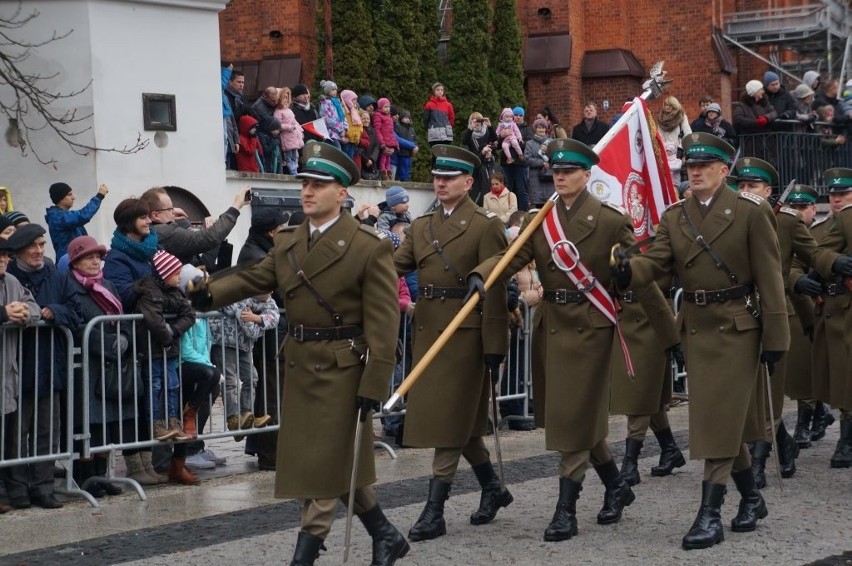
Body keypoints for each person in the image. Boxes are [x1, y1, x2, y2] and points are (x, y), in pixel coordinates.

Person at [187, 141, 408, 566]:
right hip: (301, 364)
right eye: (305, 182)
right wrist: (207, 294)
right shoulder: (289, 242)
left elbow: (384, 321)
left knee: (325, 465)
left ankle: (303, 557)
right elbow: (252, 278)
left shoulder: (368, 246)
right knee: (326, 458)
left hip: (344, 367)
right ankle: (385, 533)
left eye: (319, 185)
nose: (307, 191)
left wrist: (376, 381)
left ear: (342, 193)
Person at [614, 132, 789, 550]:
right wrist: (627, 270)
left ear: (723, 170)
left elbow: (769, 275)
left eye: (703, 166)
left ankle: (709, 512)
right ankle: (751, 497)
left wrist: (777, 335)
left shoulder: (750, 212)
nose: (694, 172)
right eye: (689, 167)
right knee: (725, 419)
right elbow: (657, 263)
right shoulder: (676, 216)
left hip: (737, 327)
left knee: (716, 416)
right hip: (696, 325)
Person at [469, 138, 645, 542]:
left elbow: (634, 267)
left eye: (569, 172)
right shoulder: (541, 219)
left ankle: (566, 510)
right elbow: (513, 255)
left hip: (591, 324)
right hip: (552, 323)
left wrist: (624, 270)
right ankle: (617, 485)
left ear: (587, 175)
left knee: (576, 416)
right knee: (573, 416)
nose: (561, 177)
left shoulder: (610, 219)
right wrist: (484, 273)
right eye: (556, 172)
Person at [394, 145, 512, 543]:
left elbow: (495, 288)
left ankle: (434, 510)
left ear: (468, 182)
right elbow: (395, 265)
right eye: (437, 177)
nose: (440, 183)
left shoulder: (484, 225)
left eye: (450, 177)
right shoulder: (421, 226)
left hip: (465, 335)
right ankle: (492, 488)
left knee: (449, 423)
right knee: (462, 426)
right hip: (430, 331)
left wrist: (495, 345)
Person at [730, 158, 835, 485]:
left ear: (769, 191)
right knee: (749, 391)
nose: (746, 191)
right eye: (742, 185)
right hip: (739, 316)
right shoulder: (729, 218)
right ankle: (784, 443)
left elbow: (813, 257)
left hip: (777, 315)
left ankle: (759, 460)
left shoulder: (786, 222)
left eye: (753, 186)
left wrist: (830, 267)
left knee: (771, 391)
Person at [5, 224, 82, 510]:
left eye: (41, 244)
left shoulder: (57, 277)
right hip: (18, 364)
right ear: (18, 252)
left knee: (47, 430)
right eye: (33, 246)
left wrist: (55, 311)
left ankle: (43, 486)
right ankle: (17, 488)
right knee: (17, 431)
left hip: (51, 364)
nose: (39, 251)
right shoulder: (10, 278)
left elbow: (76, 311)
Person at [65, 235, 133, 499]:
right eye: (89, 257)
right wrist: (105, 341)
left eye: (97, 257)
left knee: (108, 423)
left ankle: (103, 475)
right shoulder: (69, 286)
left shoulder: (108, 285)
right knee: (87, 424)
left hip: (111, 365)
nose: (95, 261)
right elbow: (76, 322)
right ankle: (85, 478)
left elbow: (123, 317)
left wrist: (124, 338)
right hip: (86, 366)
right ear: (76, 261)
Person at [101, 198, 162, 485]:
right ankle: (135, 466)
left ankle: (148, 463)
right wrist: (139, 287)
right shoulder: (117, 257)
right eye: (142, 218)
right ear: (128, 223)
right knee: (133, 404)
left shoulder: (150, 250)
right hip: (132, 339)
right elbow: (119, 296)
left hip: (152, 336)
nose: (148, 221)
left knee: (149, 403)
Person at [238, 208, 287, 471]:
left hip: (270, 334)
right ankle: (271, 454)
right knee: (270, 393)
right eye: (283, 228)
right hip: (267, 338)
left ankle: (268, 449)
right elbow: (277, 290)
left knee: (272, 392)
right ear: (271, 232)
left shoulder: (262, 249)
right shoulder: (259, 255)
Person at [810, 167, 852, 468]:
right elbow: (819, 252)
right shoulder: (843, 220)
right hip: (844, 309)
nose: (837, 199)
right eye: (834, 194)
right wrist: (836, 262)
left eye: (844, 194)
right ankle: (846, 439)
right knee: (846, 375)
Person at [133, 250, 195, 443]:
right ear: (165, 274)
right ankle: (156, 424)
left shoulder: (175, 292)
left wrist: (174, 331)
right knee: (156, 385)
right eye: (176, 273)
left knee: (173, 385)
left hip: (168, 349)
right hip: (152, 349)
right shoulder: (150, 292)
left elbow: (189, 315)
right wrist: (168, 337)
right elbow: (154, 321)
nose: (180, 277)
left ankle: (174, 422)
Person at [0, 236, 40, 513]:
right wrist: (3, 313)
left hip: (6, 372)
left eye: (5, 255)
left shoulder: (12, 283)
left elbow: (33, 305)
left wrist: (25, 313)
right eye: (0, 255)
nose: (5, 259)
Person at [209, 292, 277, 439]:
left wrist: (256, 318)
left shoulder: (268, 301)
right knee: (230, 381)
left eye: (270, 291)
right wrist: (260, 324)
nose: (268, 294)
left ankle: (247, 414)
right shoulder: (240, 297)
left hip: (244, 346)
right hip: (224, 343)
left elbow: (274, 317)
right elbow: (250, 329)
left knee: (252, 378)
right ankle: (233, 418)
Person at [141, 185, 249, 266]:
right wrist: (236, 206)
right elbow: (208, 238)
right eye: (170, 209)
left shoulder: (151, 231)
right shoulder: (167, 233)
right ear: (155, 215)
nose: (174, 211)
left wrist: (170, 217)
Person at [44, 182, 109, 260]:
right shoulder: (58, 217)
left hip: (77, 260)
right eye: (69, 194)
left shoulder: (65, 216)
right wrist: (99, 196)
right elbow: (84, 215)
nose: (73, 197)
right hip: (69, 263)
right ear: (60, 198)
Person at [502, 106, 534, 211]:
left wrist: (514, 142)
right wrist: (502, 136)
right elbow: (497, 143)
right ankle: (508, 214)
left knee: (522, 190)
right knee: (508, 190)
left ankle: (523, 214)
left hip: (520, 164)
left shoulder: (527, 130)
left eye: (521, 115)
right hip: (507, 163)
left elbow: (529, 145)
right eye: (516, 115)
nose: (518, 117)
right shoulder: (504, 126)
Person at [462, 112, 498, 204]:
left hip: (487, 165)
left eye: (479, 120)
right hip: (475, 164)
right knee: (477, 191)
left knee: (487, 188)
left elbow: (494, 140)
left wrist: (490, 126)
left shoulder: (486, 131)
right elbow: (465, 142)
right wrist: (471, 128)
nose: (477, 123)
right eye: (475, 121)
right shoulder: (469, 133)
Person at [657, 96, 692, 186]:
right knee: (666, 180)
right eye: (666, 105)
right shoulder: (661, 118)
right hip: (665, 153)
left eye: (670, 105)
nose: (667, 107)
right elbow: (658, 136)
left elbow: (688, 133)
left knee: (678, 180)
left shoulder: (681, 116)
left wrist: (681, 150)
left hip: (678, 152)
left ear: (675, 106)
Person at [525, 118, 554, 207]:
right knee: (538, 207)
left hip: (549, 178)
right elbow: (527, 159)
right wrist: (541, 162)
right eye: (539, 127)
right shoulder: (529, 144)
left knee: (550, 205)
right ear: (535, 129)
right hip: (535, 179)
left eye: (543, 127)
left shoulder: (551, 142)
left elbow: (557, 157)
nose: (541, 129)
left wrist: (548, 151)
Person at [275, 87, 304, 175]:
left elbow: (294, 121)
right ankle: (292, 172)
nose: (286, 100)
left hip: (294, 136)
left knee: (295, 156)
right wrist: (289, 127)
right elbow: (278, 124)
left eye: (288, 97)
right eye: (284, 97)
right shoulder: (278, 111)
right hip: (287, 137)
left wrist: (299, 128)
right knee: (289, 157)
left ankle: (295, 171)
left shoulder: (289, 110)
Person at [423, 82, 455, 152]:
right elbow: (426, 119)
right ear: (434, 91)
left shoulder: (448, 105)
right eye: (438, 90)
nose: (440, 91)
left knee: (445, 154)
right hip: (434, 135)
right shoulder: (429, 105)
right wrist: (430, 128)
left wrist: (448, 127)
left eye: (441, 90)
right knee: (436, 155)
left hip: (446, 134)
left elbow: (451, 118)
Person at [317, 80, 348, 150]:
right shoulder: (325, 103)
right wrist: (340, 130)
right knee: (337, 151)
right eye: (332, 90)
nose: (335, 91)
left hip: (340, 134)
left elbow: (343, 116)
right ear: (327, 91)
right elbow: (327, 120)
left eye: (335, 90)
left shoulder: (337, 102)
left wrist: (345, 129)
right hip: (331, 133)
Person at [394, 109, 418, 182]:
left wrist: (416, 147)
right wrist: (412, 146)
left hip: (409, 154)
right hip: (401, 153)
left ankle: (407, 180)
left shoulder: (411, 129)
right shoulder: (397, 127)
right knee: (401, 171)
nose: (407, 120)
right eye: (405, 118)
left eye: (408, 118)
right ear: (401, 118)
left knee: (408, 170)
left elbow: (415, 139)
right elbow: (398, 140)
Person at [340, 89, 362, 158]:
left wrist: (358, 137)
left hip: (354, 140)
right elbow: (342, 123)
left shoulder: (355, 111)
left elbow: (360, 125)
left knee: (350, 158)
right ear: (347, 100)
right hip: (346, 139)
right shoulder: (343, 110)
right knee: (345, 158)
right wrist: (343, 137)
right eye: (353, 99)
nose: (355, 102)